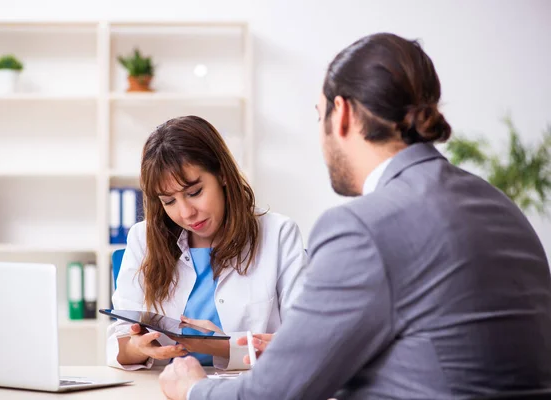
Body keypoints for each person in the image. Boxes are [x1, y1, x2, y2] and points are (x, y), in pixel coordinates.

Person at [159, 32, 551, 399]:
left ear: (341, 114)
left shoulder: (361, 227)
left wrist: (194, 389)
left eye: (319, 116)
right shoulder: (498, 204)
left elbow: (276, 391)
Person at [107, 115, 308, 371]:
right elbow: (119, 341)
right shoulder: (143, 238)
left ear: (222, 175)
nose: (186, 213)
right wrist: (138, 348)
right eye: (169, 201)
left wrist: (221, 346)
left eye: (194, 193)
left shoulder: (279, 234)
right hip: (163, 386)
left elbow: (303, 342)